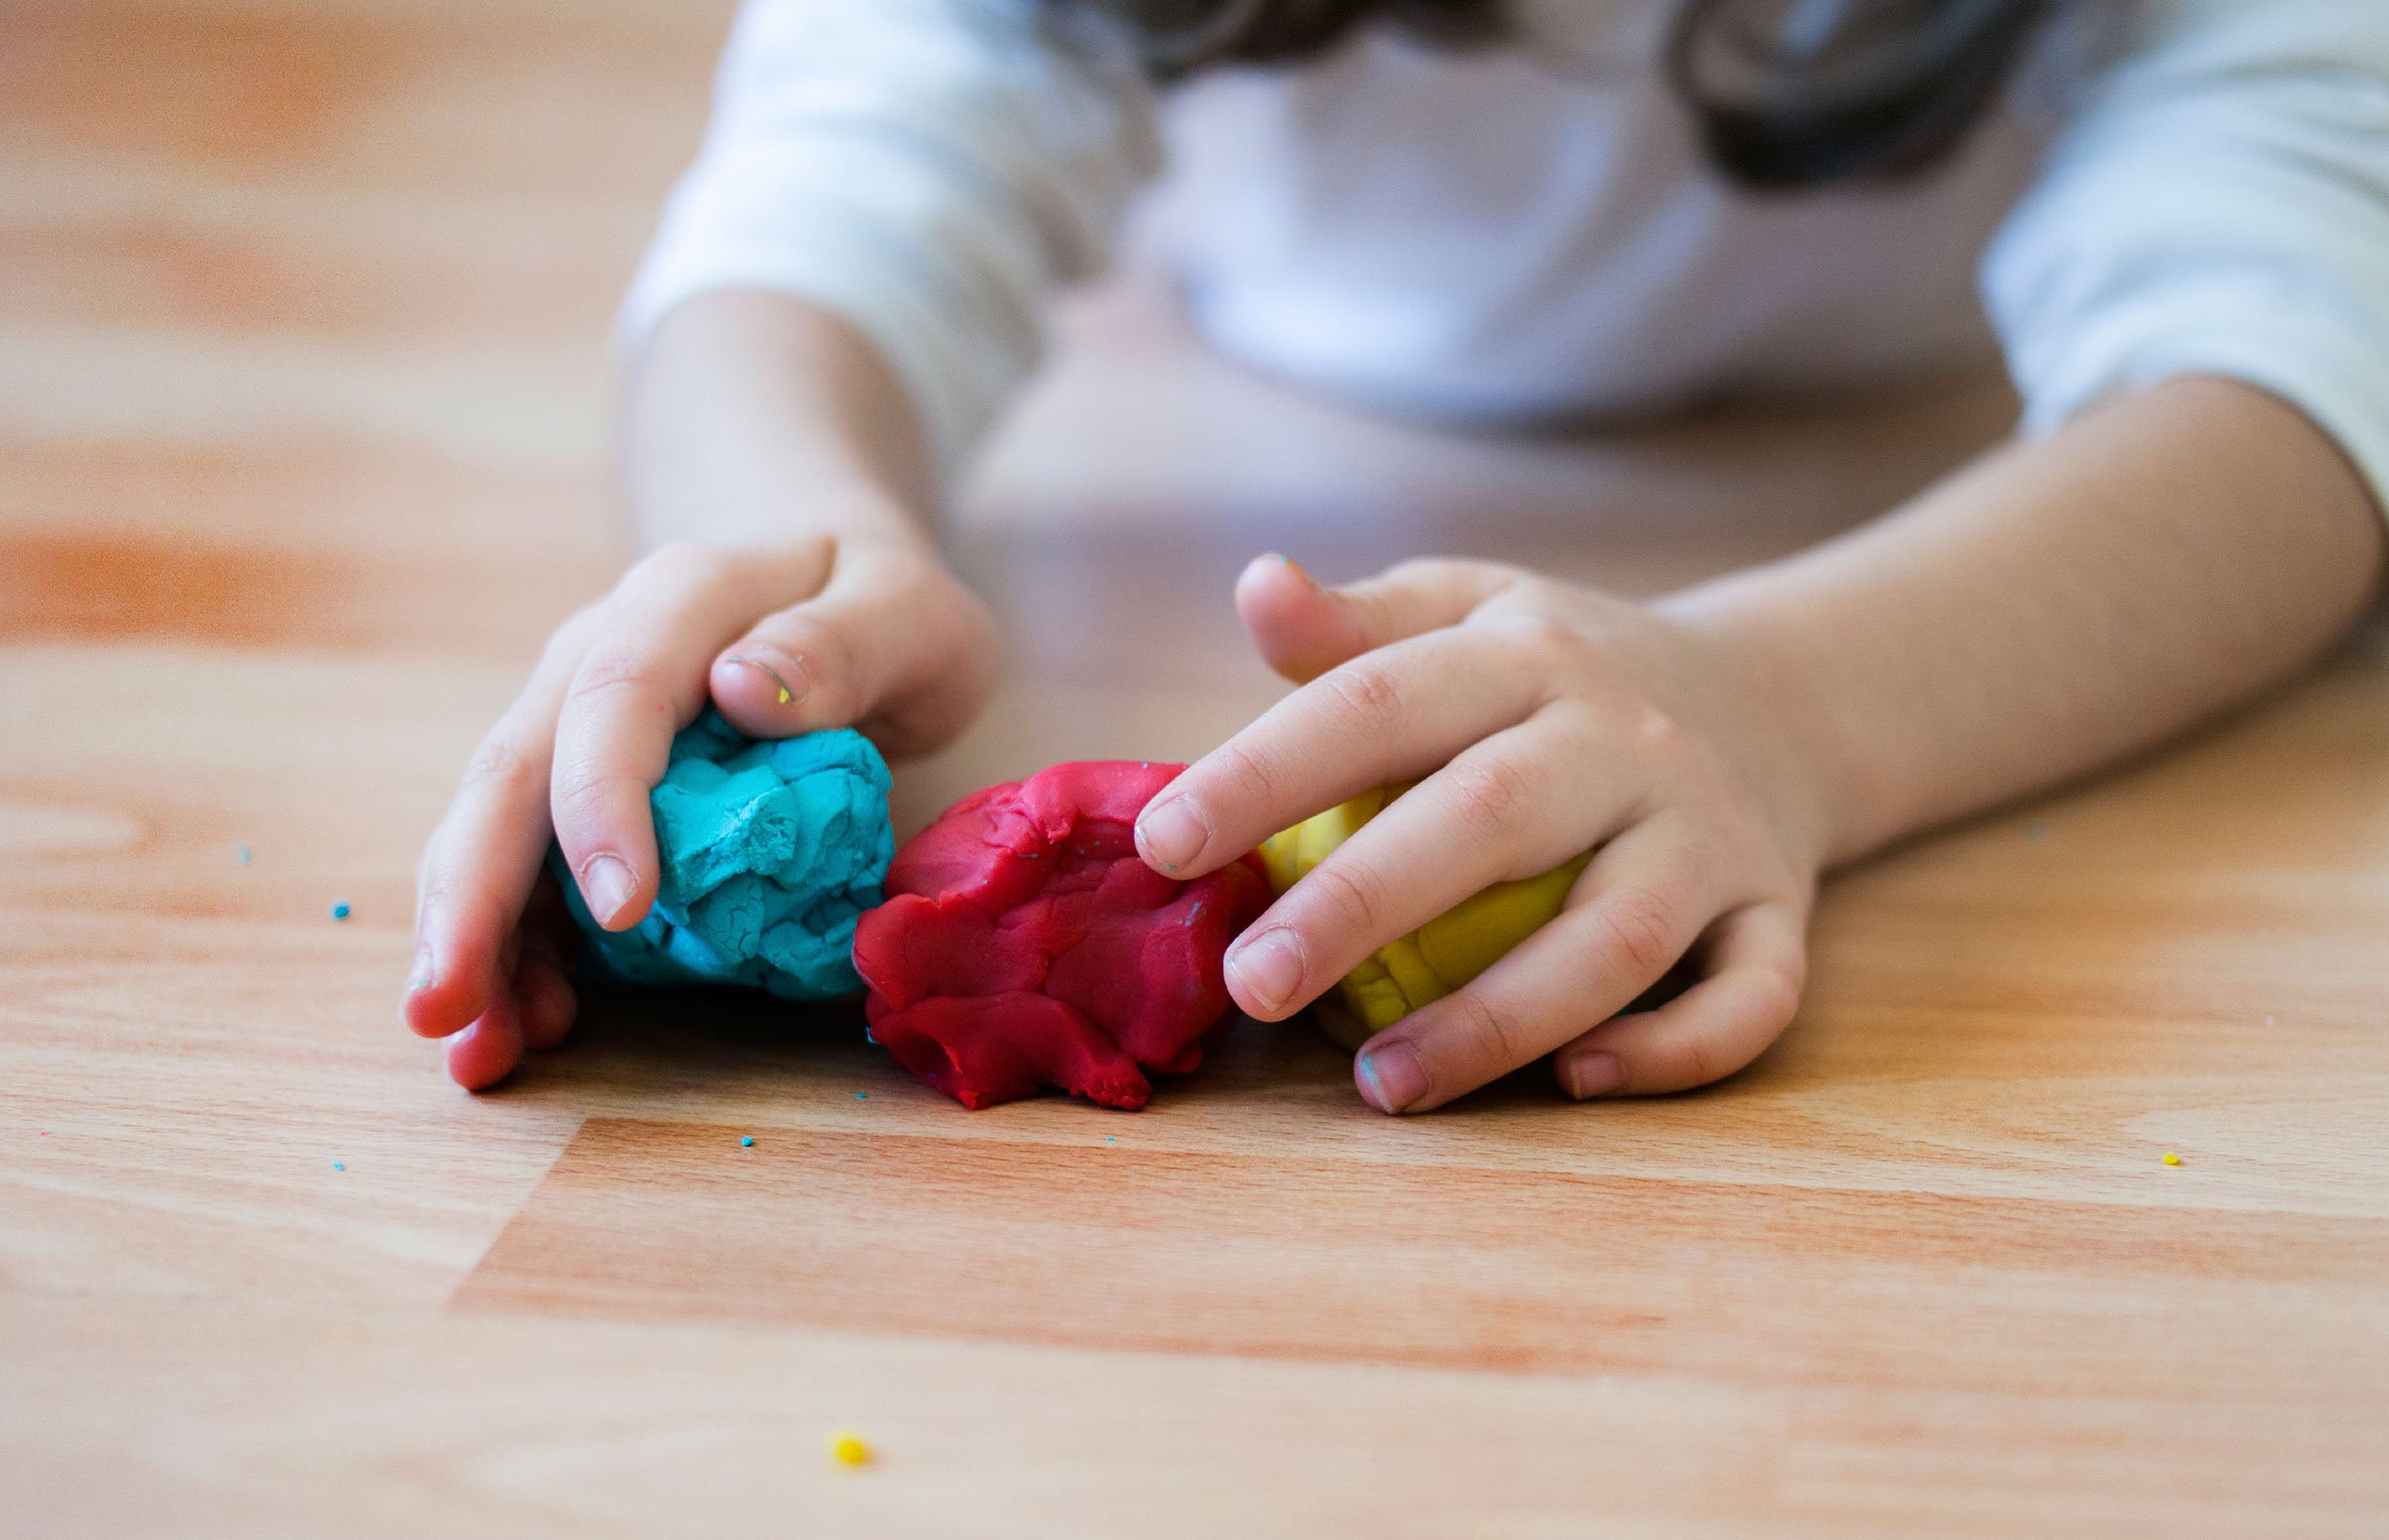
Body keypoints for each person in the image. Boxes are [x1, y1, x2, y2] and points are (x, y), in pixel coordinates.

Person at [402, 0, 2389, 1112]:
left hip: (1933, 390)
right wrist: (789, 535)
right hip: (1272, 318)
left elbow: (2306, 371)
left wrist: (1798, 704)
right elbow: (821, 209)